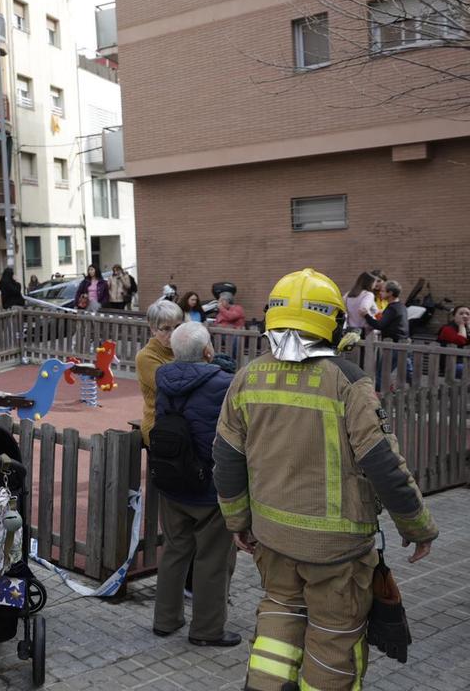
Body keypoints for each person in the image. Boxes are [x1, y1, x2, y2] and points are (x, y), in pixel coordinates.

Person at [215, 268, 438, 690]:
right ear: (333, 323)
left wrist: (237, 522)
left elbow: (226, 459)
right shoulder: (348, 382)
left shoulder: (247, 376)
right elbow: (384, 465)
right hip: (336, 548)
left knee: (279, 618)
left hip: (273, 539)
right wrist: (417, 526)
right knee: (335, 638)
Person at [151, 322, 238, 647]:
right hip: (209, 486)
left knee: (175, 550)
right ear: (207, 351)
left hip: (172, 479)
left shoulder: (163, 379)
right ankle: (207, 629)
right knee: (212, 560)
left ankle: (165, 619)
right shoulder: (224, 383)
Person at [137, 299, 183, 445]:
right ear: (153, 329)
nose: (174, 333)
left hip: (183, 422)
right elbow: (174, 389)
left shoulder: (183, 350)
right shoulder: (146, 357)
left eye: (177, 326)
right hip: (159, 424)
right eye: (166, 328)